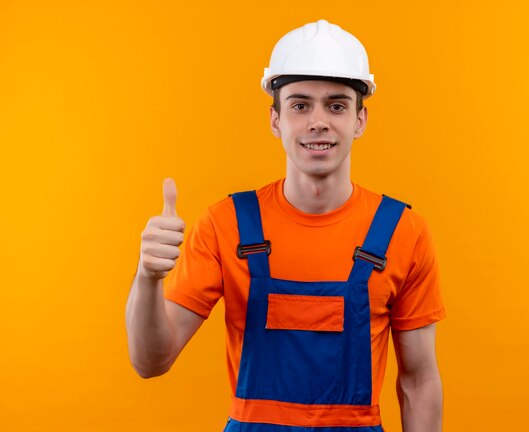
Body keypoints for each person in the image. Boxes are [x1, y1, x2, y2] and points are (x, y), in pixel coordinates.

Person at [125, 19, 446, 432]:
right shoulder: (227, 226)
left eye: (336, 105)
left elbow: (419, 382)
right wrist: (147, 277)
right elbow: (150, 361)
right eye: (299, 105)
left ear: (360, 120)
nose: (318, 121)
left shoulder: (404, 232)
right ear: (275, 120)